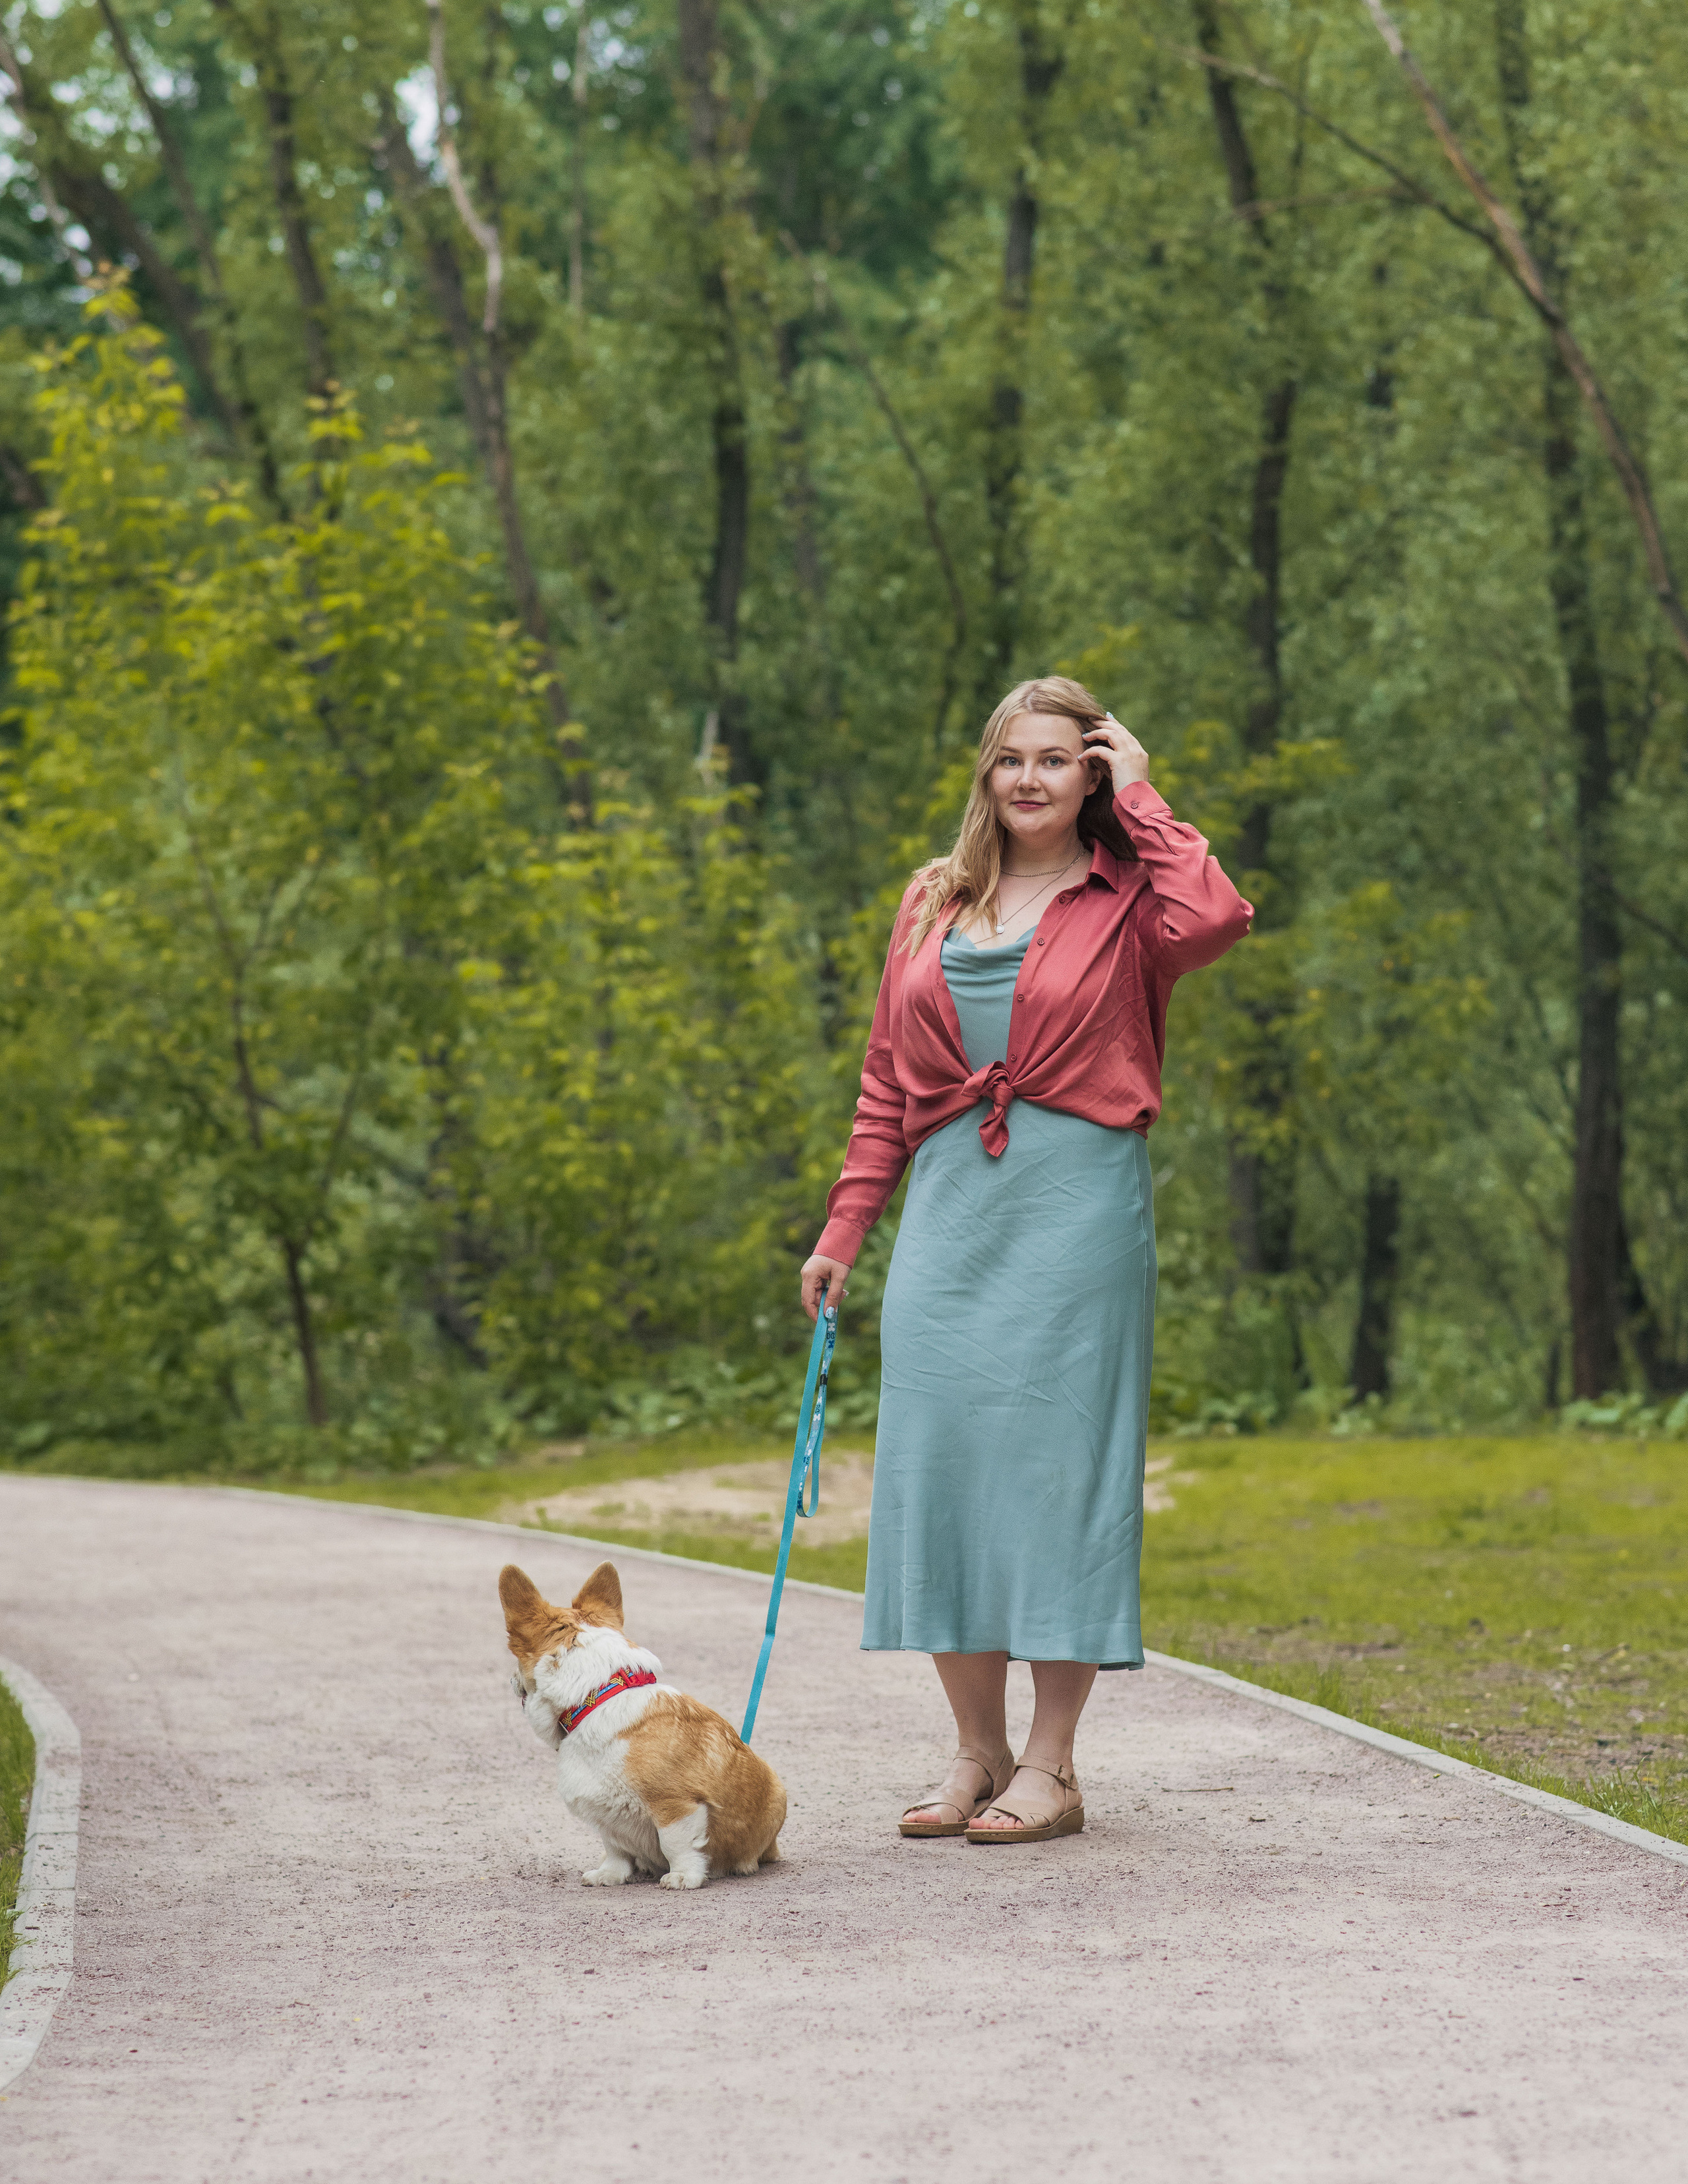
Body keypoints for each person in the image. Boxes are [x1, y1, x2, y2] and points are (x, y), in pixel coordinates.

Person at [800, 675, 1252, 1843]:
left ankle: (1052, 1764)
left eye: (1059, 758)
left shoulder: (1133, 892)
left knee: (1059, 1473)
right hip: (953, 1212)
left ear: (1091, 773)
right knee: (942, 1465)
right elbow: (885, 1084)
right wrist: (847, 1228)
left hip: (1077, 1210)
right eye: (1013, 758)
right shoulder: (932, 899)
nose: (1031, 779)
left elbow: (1217, 921)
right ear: (986, 775)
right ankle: (975, 1751)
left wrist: (1147, 797)